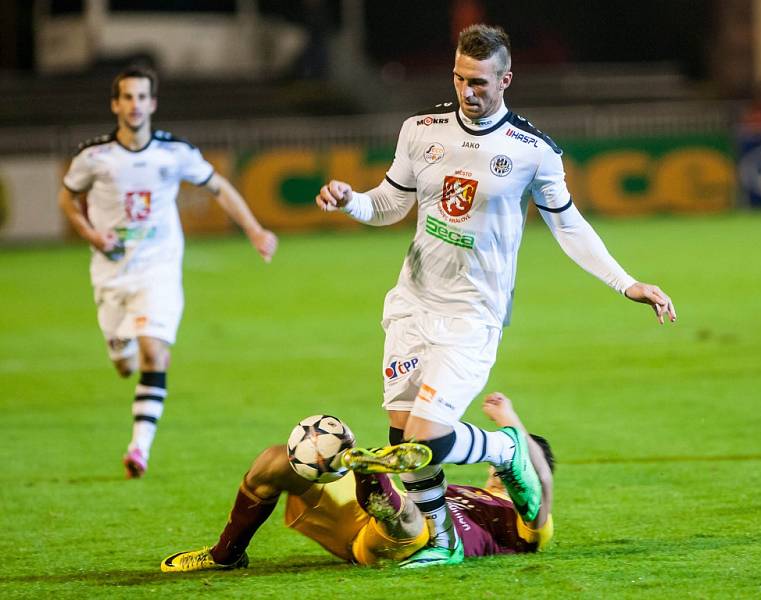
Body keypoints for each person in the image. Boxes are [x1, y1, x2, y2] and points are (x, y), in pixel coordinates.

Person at [315, 23, 676, 567]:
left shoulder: (533, 152)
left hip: (472, 315)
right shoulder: (420, 130)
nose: (468, 92)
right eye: (461, 79)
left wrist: (626, 282)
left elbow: (570, 226)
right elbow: (389, 204)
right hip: (411, 306)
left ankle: (507, 450)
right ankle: (438, 542)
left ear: (506, 79)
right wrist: (350, 202)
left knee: (426, 441)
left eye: (480, 82)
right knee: (402, 447)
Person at [58, 66, 278, 479]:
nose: (135, 105)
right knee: (125, 363)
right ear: (115, 104)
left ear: (152, 104)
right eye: (128, 97)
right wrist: (90, 233)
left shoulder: (174, 152)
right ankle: (121, 349)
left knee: (152, 351)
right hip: (111, 274)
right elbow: (68, 197)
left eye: (143, 97)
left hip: (158, 270)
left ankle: (138, 448)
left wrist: (254, 228)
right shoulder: (94, 156)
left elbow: (220, 187)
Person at [161, 392, 554, 572]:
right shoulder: (471, 491)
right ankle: (225, 555)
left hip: (402, 542)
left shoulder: (531, 524)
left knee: (416, 523)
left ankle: (368, 470)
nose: (499, 467)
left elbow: (541, 486)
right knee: (275, 460)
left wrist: (510, 423)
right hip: (363, 515)